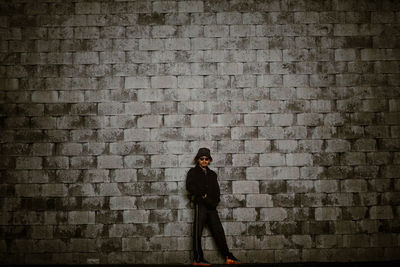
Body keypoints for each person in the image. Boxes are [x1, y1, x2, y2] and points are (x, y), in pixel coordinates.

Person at [186, 147, 240, 266]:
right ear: (197, 160)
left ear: (209, 160)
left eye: (206, 159)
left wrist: (210, 200)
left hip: (211, 207)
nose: (204, 161)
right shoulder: (192, 172)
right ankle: (198, 259)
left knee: (218, 231)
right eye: (202, 159)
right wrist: (202, 197)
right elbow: (190, 187)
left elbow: (216, 192)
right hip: (200, 206)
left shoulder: (212, 174)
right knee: (197, 232)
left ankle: (228, 256)